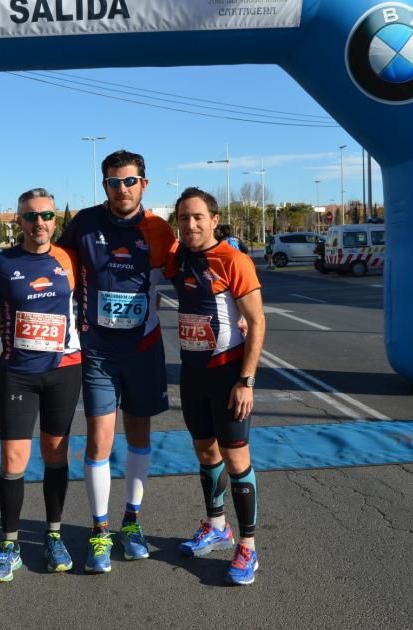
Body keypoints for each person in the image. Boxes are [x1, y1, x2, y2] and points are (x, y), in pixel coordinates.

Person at [57, 149, 177, 572]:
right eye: (113, 181)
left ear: (144, 184)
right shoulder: (85, 224)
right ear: (104, 185)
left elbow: (189, 275)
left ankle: (132, 523)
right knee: (98, 443)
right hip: (99, 353)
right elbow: (55, 270)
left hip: (143, 350)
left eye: (129, 181)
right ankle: (100, 532)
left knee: (139, 436)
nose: (122, 188)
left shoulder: (158, 229)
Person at [0, 188, 82, 582]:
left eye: (46, 215)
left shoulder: (69, 259)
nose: (38, 222)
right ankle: (9, 544)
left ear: (55, 220)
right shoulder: (2, 263)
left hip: (64, 370)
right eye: (30, 216)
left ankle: (53, 535)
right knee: (13, 460)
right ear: (18, 220)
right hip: (18, 372)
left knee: (56, 454)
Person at [170, 188, 265, 586]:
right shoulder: (177, 257)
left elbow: (257, 322)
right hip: (192, 373)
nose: (190, 224)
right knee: (206, 452)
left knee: (236, 459)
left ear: (213, 219)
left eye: (197, 217)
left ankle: (248, 546)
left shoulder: (233, 259)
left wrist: (246, 381)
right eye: (183, 218)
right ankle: (216, 526)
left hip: (228, 374)